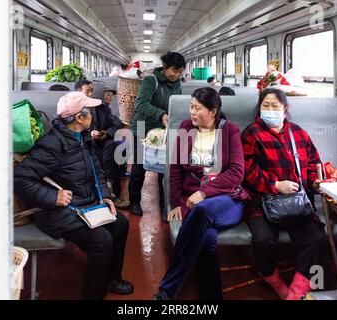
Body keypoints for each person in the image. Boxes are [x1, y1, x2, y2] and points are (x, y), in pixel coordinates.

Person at [14, 92, 134, 300]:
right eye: (90, 112)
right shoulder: (52, 145)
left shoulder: (83, 138)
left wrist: (104, 196)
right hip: (56, 211)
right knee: (102, 241)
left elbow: (96, 170)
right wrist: (53, 197)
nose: (93, 116)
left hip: (83, 204)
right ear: (80, 118)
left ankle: (112, 278)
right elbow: (20, 178)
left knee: (120, 224)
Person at [153, 88, 247, 300]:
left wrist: (204, 192)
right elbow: (176, 168)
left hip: (228, 200)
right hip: (192, 201)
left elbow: (236, 173)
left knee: (203, 210)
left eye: (197, 108)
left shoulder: (229, 131)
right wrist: (176, 202)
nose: (192, 112)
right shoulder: (186, 128)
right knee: (207, 239)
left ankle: (168, 289)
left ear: (213, 112)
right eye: (191, 107)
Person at [241, 88, 324, 300]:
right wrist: (275, 185)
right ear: (259, 109)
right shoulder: (251, 134)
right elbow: (246, 170)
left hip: (296, 202)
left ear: (285, 110)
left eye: (275, 106)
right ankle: (273, 279)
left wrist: (315, 181)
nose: (270, 110)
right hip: (262, 201)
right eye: (265, 105)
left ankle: (296, 292)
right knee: (264, 240)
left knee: (314, 237)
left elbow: (314, 162)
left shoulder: (298, 133)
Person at [129, 52, 186, 217]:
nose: (176, 75)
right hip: (143, 127)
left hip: (164, 129)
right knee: (140, 167)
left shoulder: (177, 84)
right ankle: (134, 201)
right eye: (174, 71)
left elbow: (176, 103)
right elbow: (140, 103)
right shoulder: (150, 80)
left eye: (180, 72)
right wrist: (160, 114)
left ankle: (164, 205)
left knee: (164, 169)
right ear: (165, 67)